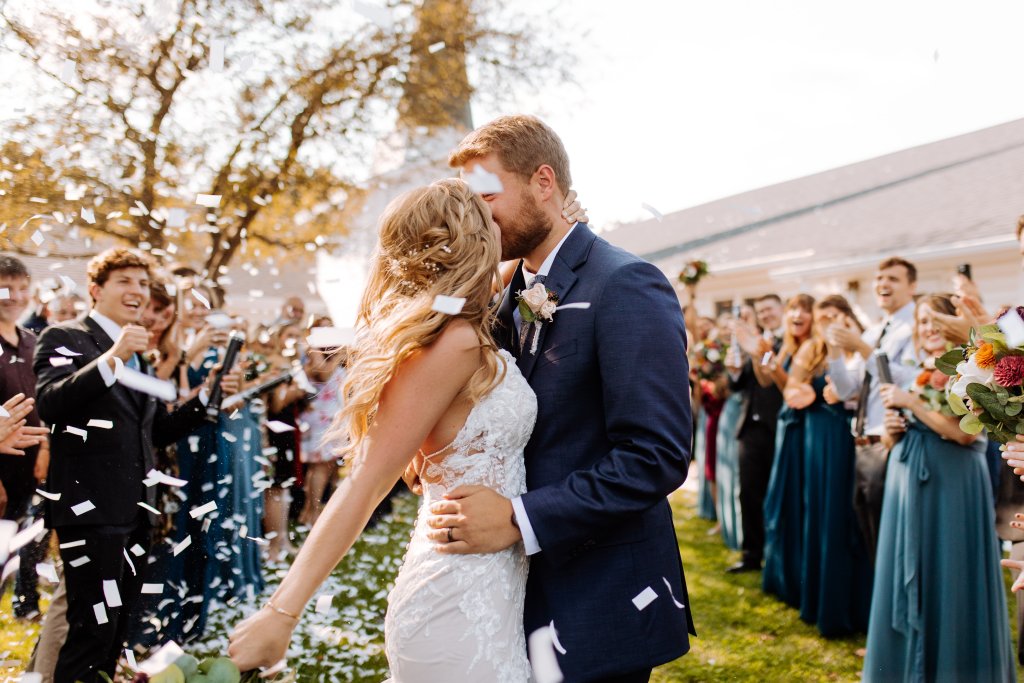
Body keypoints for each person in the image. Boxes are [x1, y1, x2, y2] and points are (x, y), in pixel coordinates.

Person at [229, 177, 535, 679]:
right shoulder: (452, 344)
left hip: (491, 583)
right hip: (456, 596)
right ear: (474, 243)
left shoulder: (454, 331)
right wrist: (280, 613)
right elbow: (366, 484)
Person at [429, 115, 694, 681]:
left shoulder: (625, 283)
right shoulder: (508, 292)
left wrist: (519, 518)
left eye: (487, 195)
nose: (477, 217)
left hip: (599, 594)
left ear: (543, 182)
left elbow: (656, 454)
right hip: (511, 595)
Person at [33, 247, 239, 683]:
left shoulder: (140, 353)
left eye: (143, 283)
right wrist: (113, 357)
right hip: (89, 508)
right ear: (96, 289)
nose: (138, 291)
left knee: (115, 630)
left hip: (137, 510)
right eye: (125, 281)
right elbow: (51, 403)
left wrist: (207, 396)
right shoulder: (63, 337)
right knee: (89, 631)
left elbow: (156, 431)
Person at [864, 294, 1014, 681]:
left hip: (953, 483)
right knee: (903, 568)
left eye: (935, 321)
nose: (928, 329)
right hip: (905, 476)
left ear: (952, 324)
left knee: (950, 577)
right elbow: (894, 435)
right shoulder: (914, 368)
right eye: (922, 322)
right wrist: (892, 433)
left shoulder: (977, 368)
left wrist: (912, 404)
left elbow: (963, 437)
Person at [828, 256, 919, 564]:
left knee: (889, 536)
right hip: (862, 444)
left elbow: (904, 381)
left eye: (892, 279)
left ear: (912, 286)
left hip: (891, 442)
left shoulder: (915, 328)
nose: (883, 284)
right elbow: (848, 390)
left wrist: (864, 349)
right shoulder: (873, 332)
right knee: (869, 532)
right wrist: (835, 352)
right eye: (879, 279)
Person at [793, 295, 871, 637]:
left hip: (848, 438)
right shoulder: (811, 350)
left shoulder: (861, 347)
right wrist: (804, 395)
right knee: (821, 514)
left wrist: (844, 395)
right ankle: (819, 601)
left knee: (845, 516)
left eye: (837, 315)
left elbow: (858, 388)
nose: (831, 322)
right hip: (818, 439)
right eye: (824, 317)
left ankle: (848, 605)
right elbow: (791, 386)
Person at [759, 294, 815, 607]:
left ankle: (796, 578)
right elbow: (769, 380)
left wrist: (771, 360)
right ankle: (783, 576)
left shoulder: (812, 346)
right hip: (787, 426)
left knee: (794, 501)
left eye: (803, 310)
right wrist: (764, 357)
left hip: (801, 429)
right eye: (793, 309)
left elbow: (792, 390)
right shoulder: (791, 346)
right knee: (780, 501)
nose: (796, 315)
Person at [726, 293, 784, 572]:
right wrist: (734, 372)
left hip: (778, 426)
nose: (764, 314)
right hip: (750, 426)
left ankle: (777, 553)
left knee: (778, 493)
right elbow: (738, 386)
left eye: (769, 309)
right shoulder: (751, 342)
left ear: (781, 309)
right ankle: (751, 555)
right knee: (748, 492)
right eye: (760, 311)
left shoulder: (785, 343)